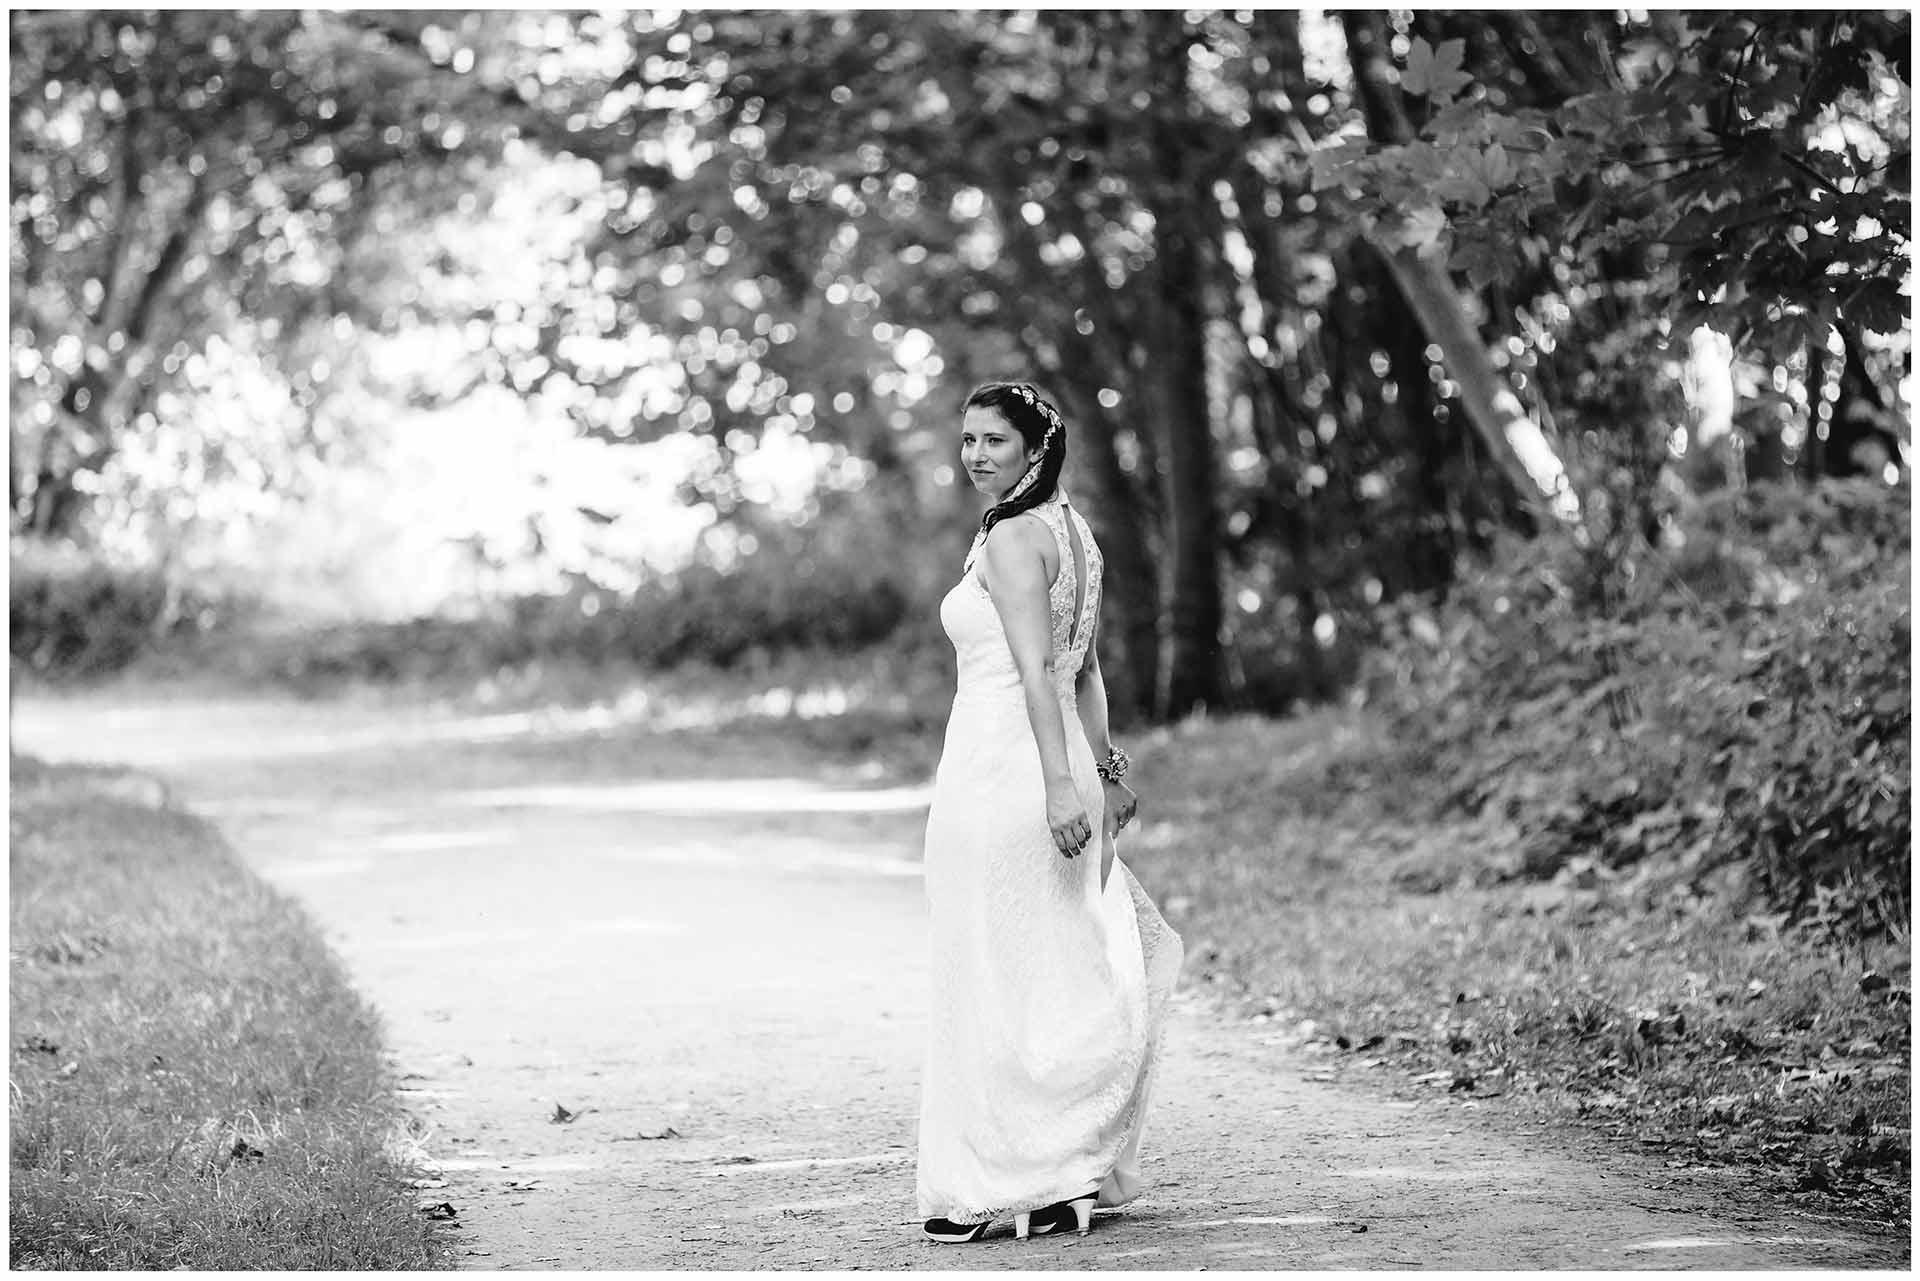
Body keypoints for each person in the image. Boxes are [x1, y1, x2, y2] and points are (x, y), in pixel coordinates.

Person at [916, 381, 1183, 1244]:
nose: (977, 454)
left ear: (1037, 448)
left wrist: (1067, 787)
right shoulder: (1076, 534)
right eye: (967, 440)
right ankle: (1066, 1167)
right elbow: (1088, 670)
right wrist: (1101, 766)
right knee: (1052, 957)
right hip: (1049, 756)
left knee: (993, 961)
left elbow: (1043, 672)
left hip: (1007, 773)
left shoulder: (1010, 538)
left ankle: (1003, 1179)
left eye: (994, 439)